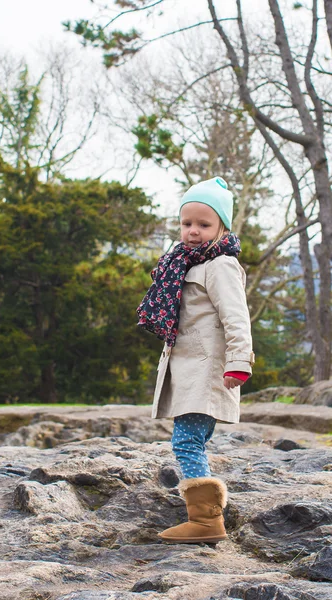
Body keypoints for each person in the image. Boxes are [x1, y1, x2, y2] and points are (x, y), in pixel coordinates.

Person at [137, 176, 254, 544]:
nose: (193, 231)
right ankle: (206, 513)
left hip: (207, 370)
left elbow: (237, 317)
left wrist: (240, 362)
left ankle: (205, 521)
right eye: (187, 223)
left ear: (222, 227)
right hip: (188, 367)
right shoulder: (182, 263)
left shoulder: (220, 265)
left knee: (186, 442)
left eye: (204, 225)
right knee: (192, 441)